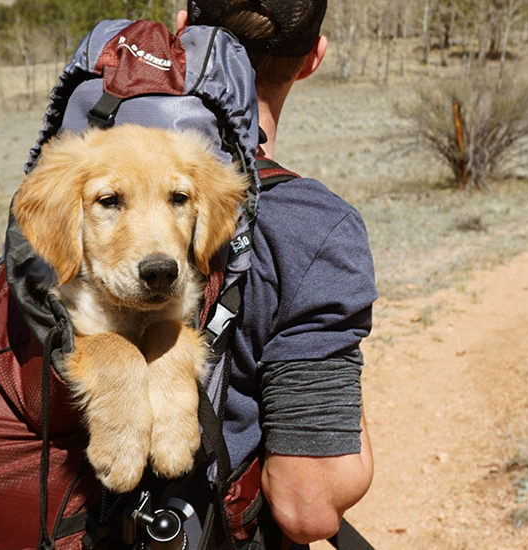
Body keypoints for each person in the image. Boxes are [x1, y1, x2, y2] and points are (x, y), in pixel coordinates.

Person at [178, 1, 377, 544]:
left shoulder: (82, 172)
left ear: (182, 30)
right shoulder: (314, 229)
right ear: (315, 55)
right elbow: (305, 505)